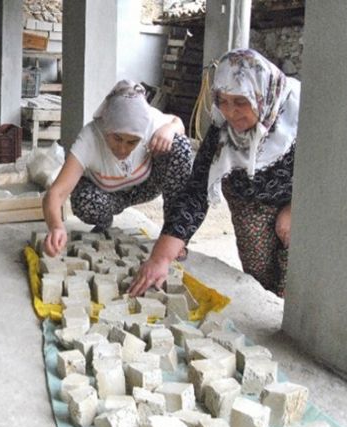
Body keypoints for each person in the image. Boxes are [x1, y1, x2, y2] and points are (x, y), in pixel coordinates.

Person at [130, 49, 299, 297]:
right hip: (249, 201)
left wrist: (297, 208)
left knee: (295, 263)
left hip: (302, 200)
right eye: (222, 100)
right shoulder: (222, 131)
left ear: (262, 96)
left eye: (241, 102)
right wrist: (160, 258)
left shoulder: (299, 120)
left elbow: (333, 176)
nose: (230, 112)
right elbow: (196, 192)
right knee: (260, 276)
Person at [43, 80, 193, 257]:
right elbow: (56, 193)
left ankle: (173, 237)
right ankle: (104, 223)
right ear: (106, 127)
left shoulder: (149, 120)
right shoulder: (90, 137)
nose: (123, 149)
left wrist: (170, 129)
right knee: (83, 198)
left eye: (132, 142)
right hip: (106, 196)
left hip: (144, 187)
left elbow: (178, 122)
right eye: (117, 139)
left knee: (179, 146)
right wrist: (56, 227)